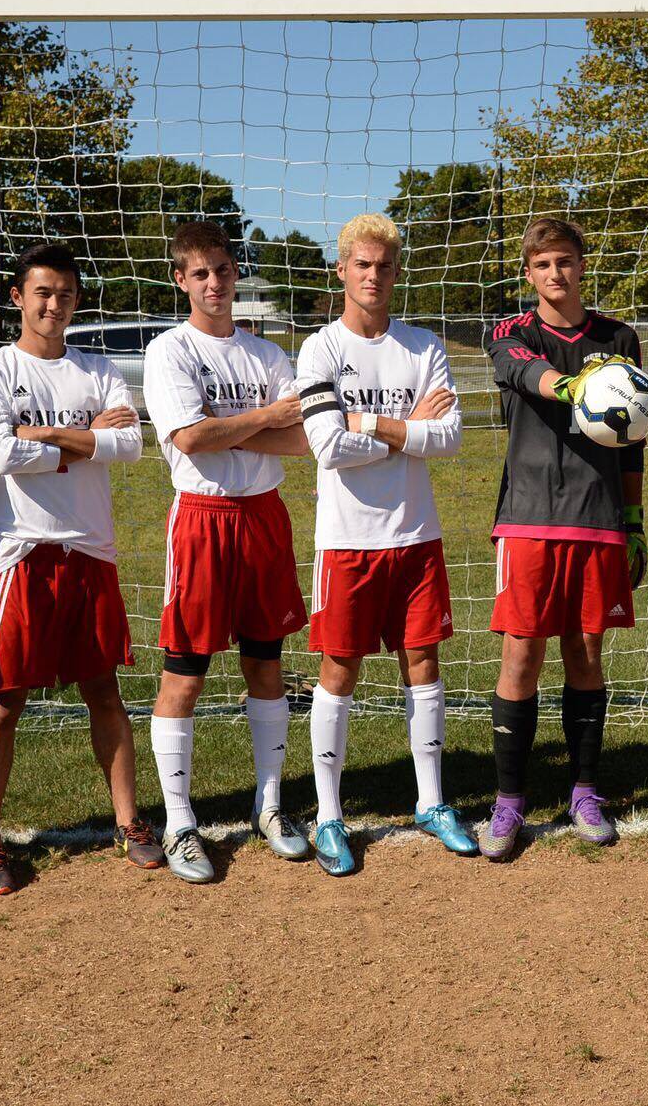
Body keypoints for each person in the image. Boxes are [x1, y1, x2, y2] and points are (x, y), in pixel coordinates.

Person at [0, 243, 164, 895]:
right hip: (23, 552)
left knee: (104, 691)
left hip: (90, 551)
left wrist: (42, 435)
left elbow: (130, 443)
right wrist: (82, 439)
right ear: (17, 296)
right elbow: (0, 453)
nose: (54, 304)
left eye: (66, 292)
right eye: (42, 291)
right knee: (5, 703)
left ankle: (130, 820)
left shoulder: (99, 368)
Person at [295, 213, 475, 876]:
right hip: (346, 542)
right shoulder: (319, 349)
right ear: (342, 269)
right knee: (339, 670)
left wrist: (364, 420)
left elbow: (450, 437)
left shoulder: (423, 346)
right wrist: (401, 428)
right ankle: (330, 815)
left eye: (385, 265)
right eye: (362, 264)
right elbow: (326, 446)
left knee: (422, 663)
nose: (374, 275)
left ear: (398, 272)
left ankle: (431, 801)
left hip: (416, 536)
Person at [143, 221, 312, 884]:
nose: (215, 282)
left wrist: (230, 427)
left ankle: (269, 805)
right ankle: (180, 819)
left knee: (266, 668)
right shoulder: (170, 352)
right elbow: (188, 437)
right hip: (204, 522)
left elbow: (300, 441)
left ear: (237, 273)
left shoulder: (267, 353)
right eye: (200, 273)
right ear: (181, 280)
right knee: (185, 675)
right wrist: (266, 417)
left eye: (224, 269)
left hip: (265, 519)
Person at [478, 217, 647, 859]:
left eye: (567, 262)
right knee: (521, 654)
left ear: (582, 266)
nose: (556, 273)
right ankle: (509, 801)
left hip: (598, 518)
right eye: (544, 264)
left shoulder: (618, 338)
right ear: (530, 272)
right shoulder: (511, 332)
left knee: (585, 652)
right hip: (526, 519)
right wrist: (575, 386)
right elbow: (523, 373)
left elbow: (632, 443)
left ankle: (583, 790)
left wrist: (632, 521)